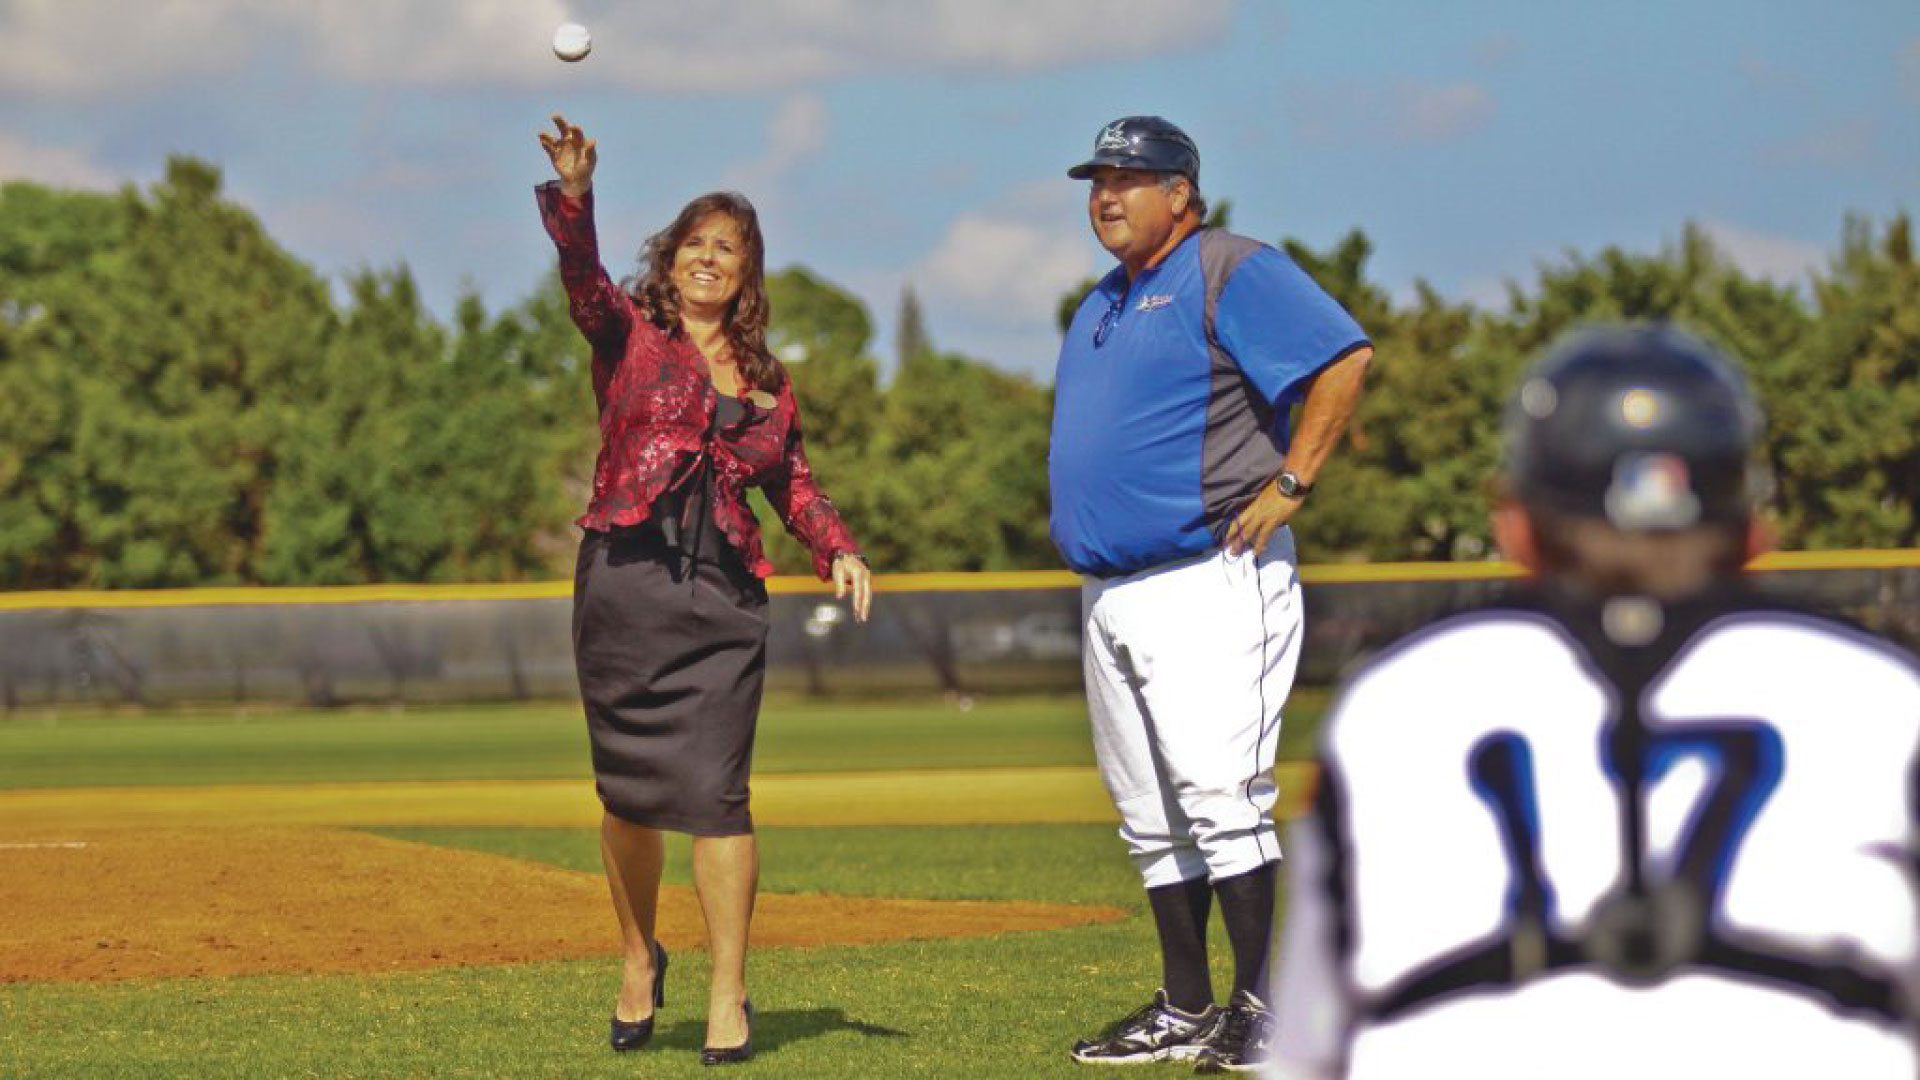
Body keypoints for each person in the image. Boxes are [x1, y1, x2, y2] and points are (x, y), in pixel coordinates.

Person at [1267, 325, 1920, 1079]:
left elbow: (1308, 1052)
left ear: (1513, 526)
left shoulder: (1398, 698)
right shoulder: (1881, 691)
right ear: (1754, 529)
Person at [535, 114, 872, 1066]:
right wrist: (574, 194)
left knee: (720, 795)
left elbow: (793, 481)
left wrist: (836, 547)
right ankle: (640, 957)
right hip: (625, 586)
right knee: (632, 796)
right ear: (670, 257)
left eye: (729, 248)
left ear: (748, 273)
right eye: (695, 242)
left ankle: (730, 991)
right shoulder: (629, 337)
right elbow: (582, 282)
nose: (709, 258)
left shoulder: (770, 383)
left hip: (724, 602)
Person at [1049, 115, 1373, 1073]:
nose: (1107, 195)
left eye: (1130, 178)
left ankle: (1269, 1005)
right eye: (1097, 179)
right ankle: (1187, 1005)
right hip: (1112, 589)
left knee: (1223, 798)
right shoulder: (1104, 298)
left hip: (1210, 575)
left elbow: (1344, 358)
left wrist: (1292, 482)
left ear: (1181, 194)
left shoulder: (1231, 266)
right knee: (1150, 814)